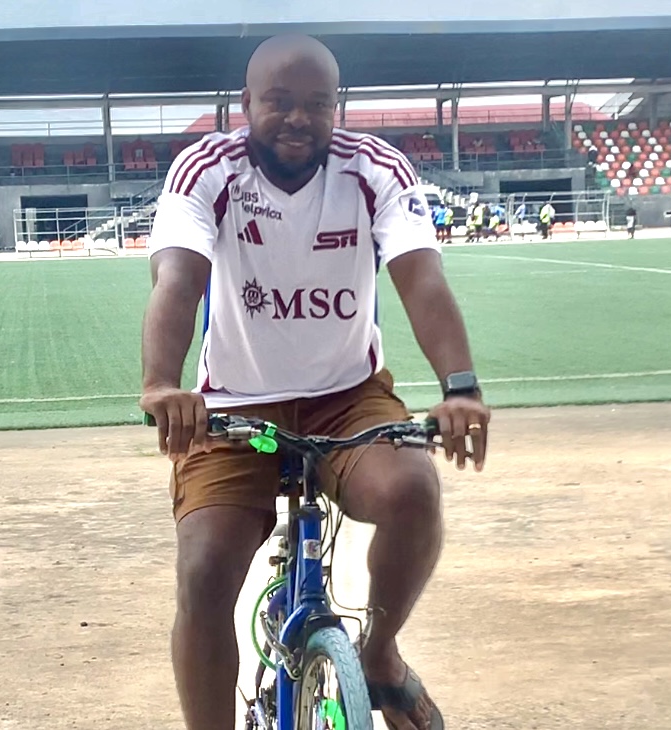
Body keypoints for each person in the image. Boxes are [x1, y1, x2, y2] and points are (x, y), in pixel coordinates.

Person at [140, 35, 491, 730]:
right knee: (206, 572)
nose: (297, 118)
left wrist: (461, 387)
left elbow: (421, 278)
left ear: (338, 108)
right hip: (233, 402)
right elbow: (177, 278)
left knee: (413, 491)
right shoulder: (207, 168)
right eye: (277, 102)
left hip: (346, 396)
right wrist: (161, 383)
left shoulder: (375, 169)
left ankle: (381, 656)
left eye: (316, 104)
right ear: (245, 105)